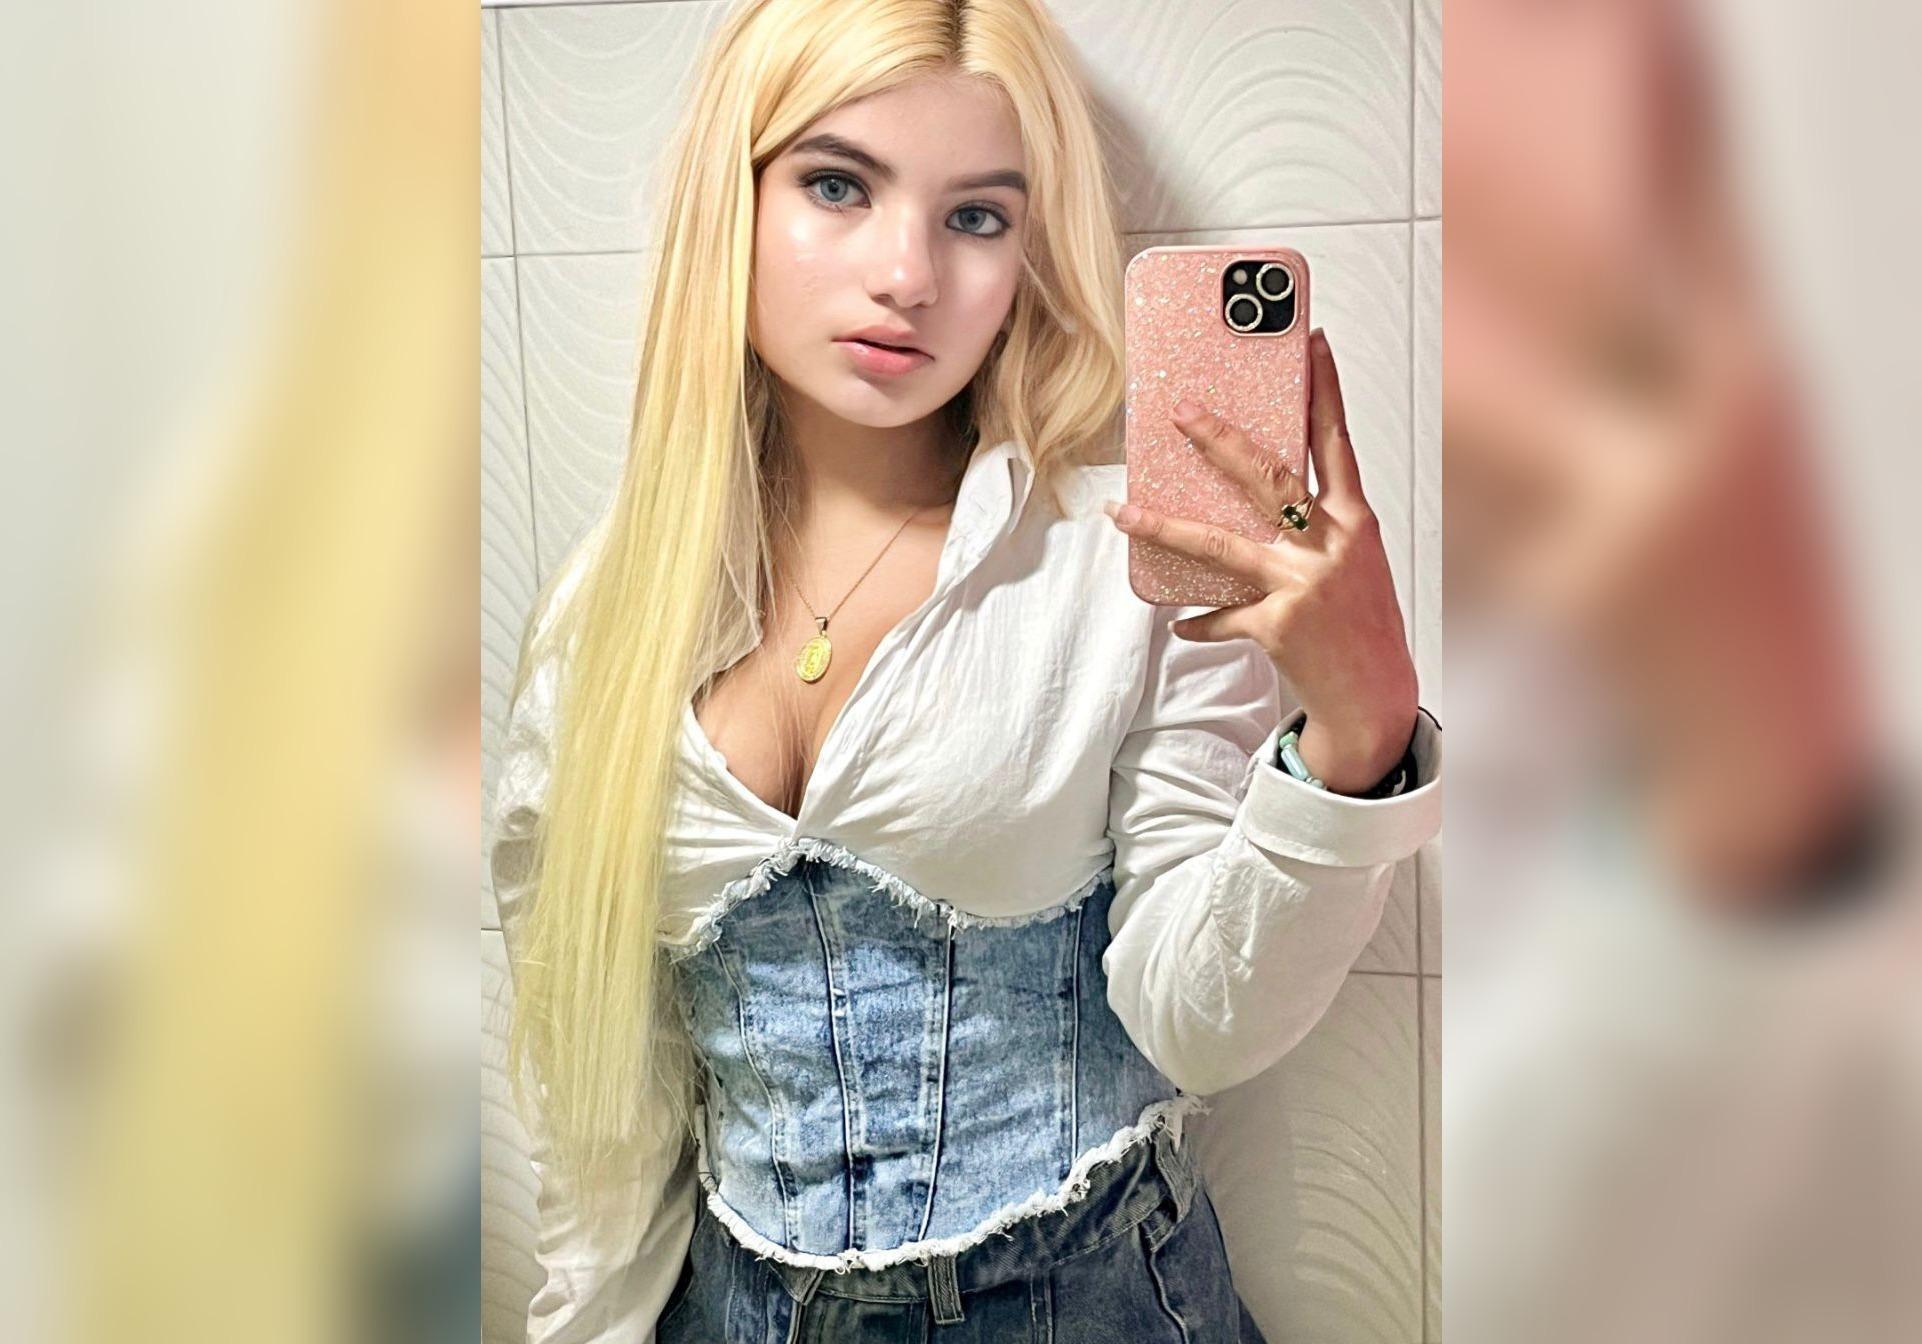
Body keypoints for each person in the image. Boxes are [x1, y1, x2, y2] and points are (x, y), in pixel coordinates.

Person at [489, 1, 1440, 1339]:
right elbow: (600, 1114)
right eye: (837, 186)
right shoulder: (604, 617)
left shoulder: (1120, 569)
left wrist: (1356, 734)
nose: (908, 276)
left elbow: (1200, 1022)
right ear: (732, 200)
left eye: (977, 216)